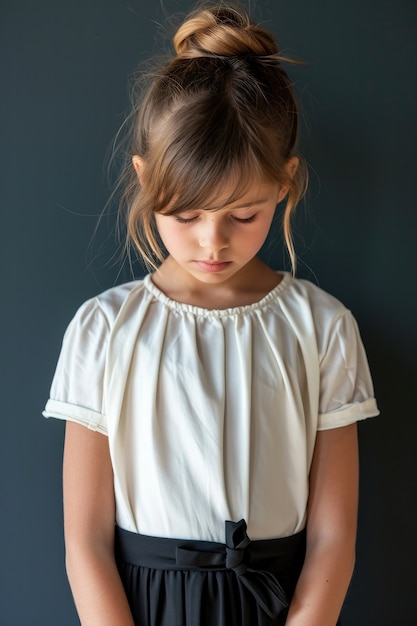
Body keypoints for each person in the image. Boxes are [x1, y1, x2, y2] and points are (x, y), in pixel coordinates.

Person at [43, 3, 379, 625]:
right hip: (144, 608)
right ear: (146, 182)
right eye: (186, 215)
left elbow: (335, 538)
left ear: (285, 183)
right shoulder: (103, 329)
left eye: (243, 215)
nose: (212, 243)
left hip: (282, 604)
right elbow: (84, 543)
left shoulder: (323, 327)